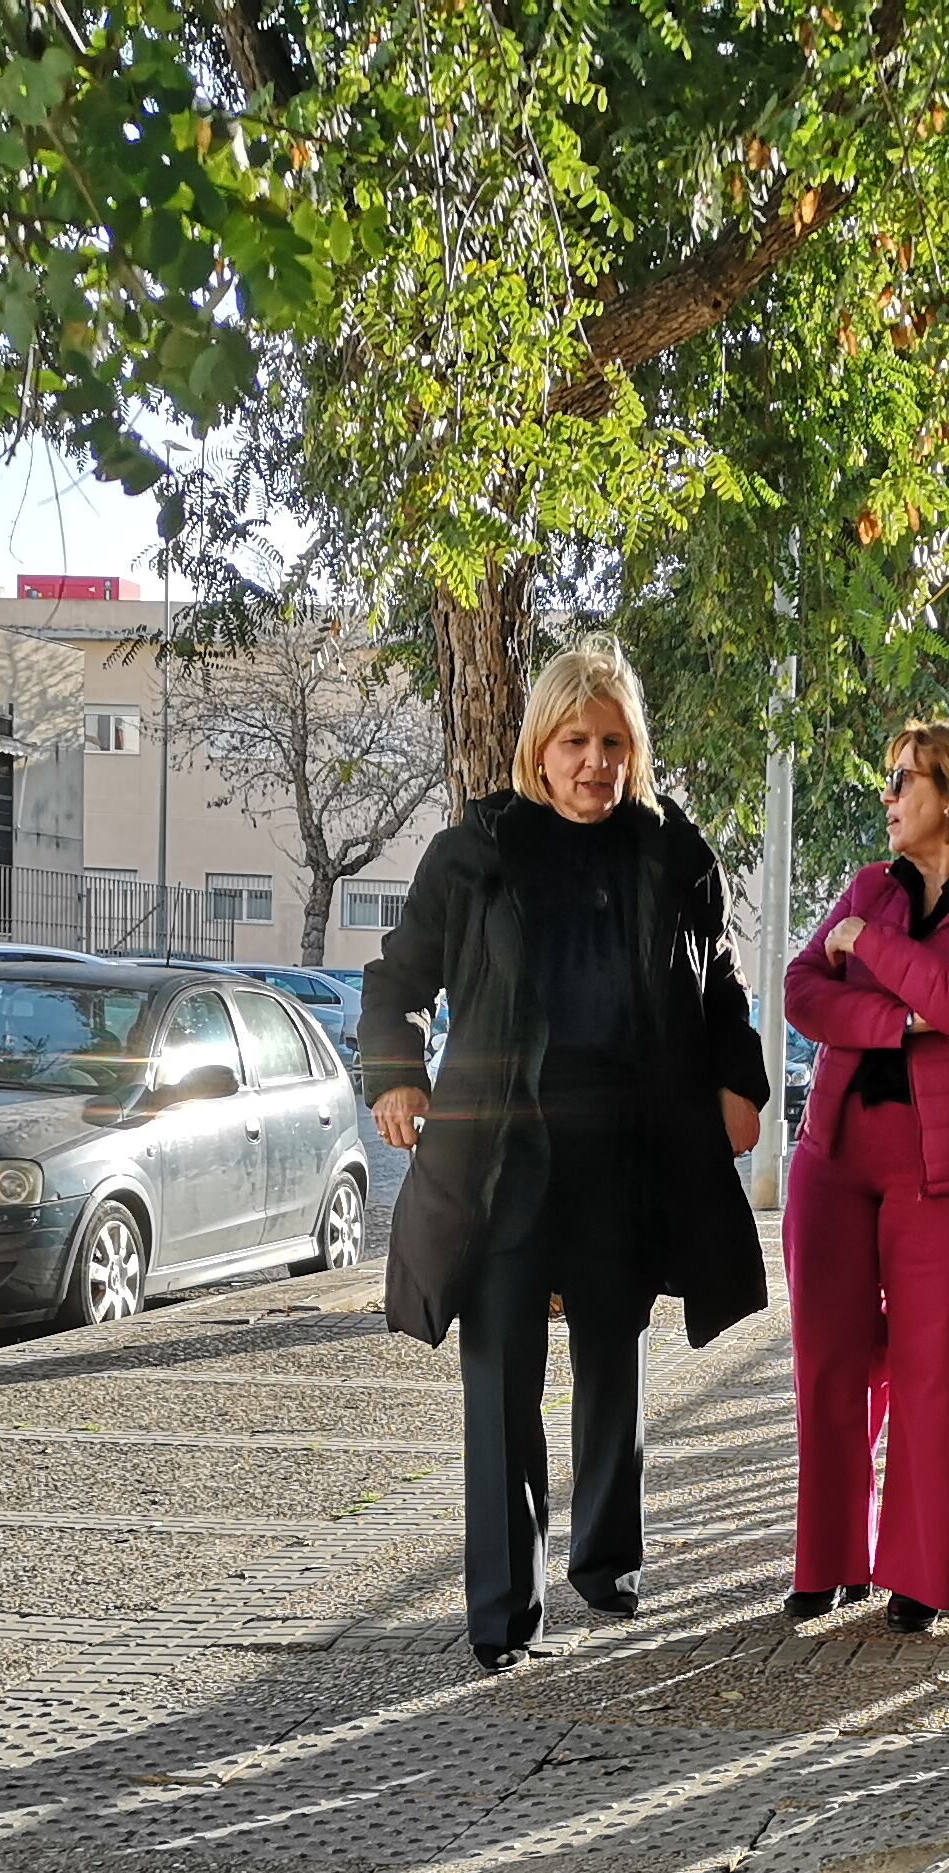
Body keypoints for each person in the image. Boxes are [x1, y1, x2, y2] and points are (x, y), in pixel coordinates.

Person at [359, 638, 772, 1669]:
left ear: (637, 749)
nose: (597, 762)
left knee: (614, 1359)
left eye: (615, 741)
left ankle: (608, 1564)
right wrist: (396, 1075)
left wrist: (739, 1080)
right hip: (503, 1157)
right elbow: (396, 978)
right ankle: (504, 1615)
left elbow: (719, 981)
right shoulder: (477, 852)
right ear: (540, 749)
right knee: (501, 1370)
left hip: (629, 1154)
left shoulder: (672, 854)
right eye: (576, 741)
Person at [783, 718, 949, 1635]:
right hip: (835, 1158)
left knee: (937, 1375)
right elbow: (801, 991)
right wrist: (902, 1019)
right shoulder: (868, 887)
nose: (889, 796)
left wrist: (872, 949)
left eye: (904, 779)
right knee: (830, 1363)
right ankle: (829, 1562)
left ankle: (922, 1577)